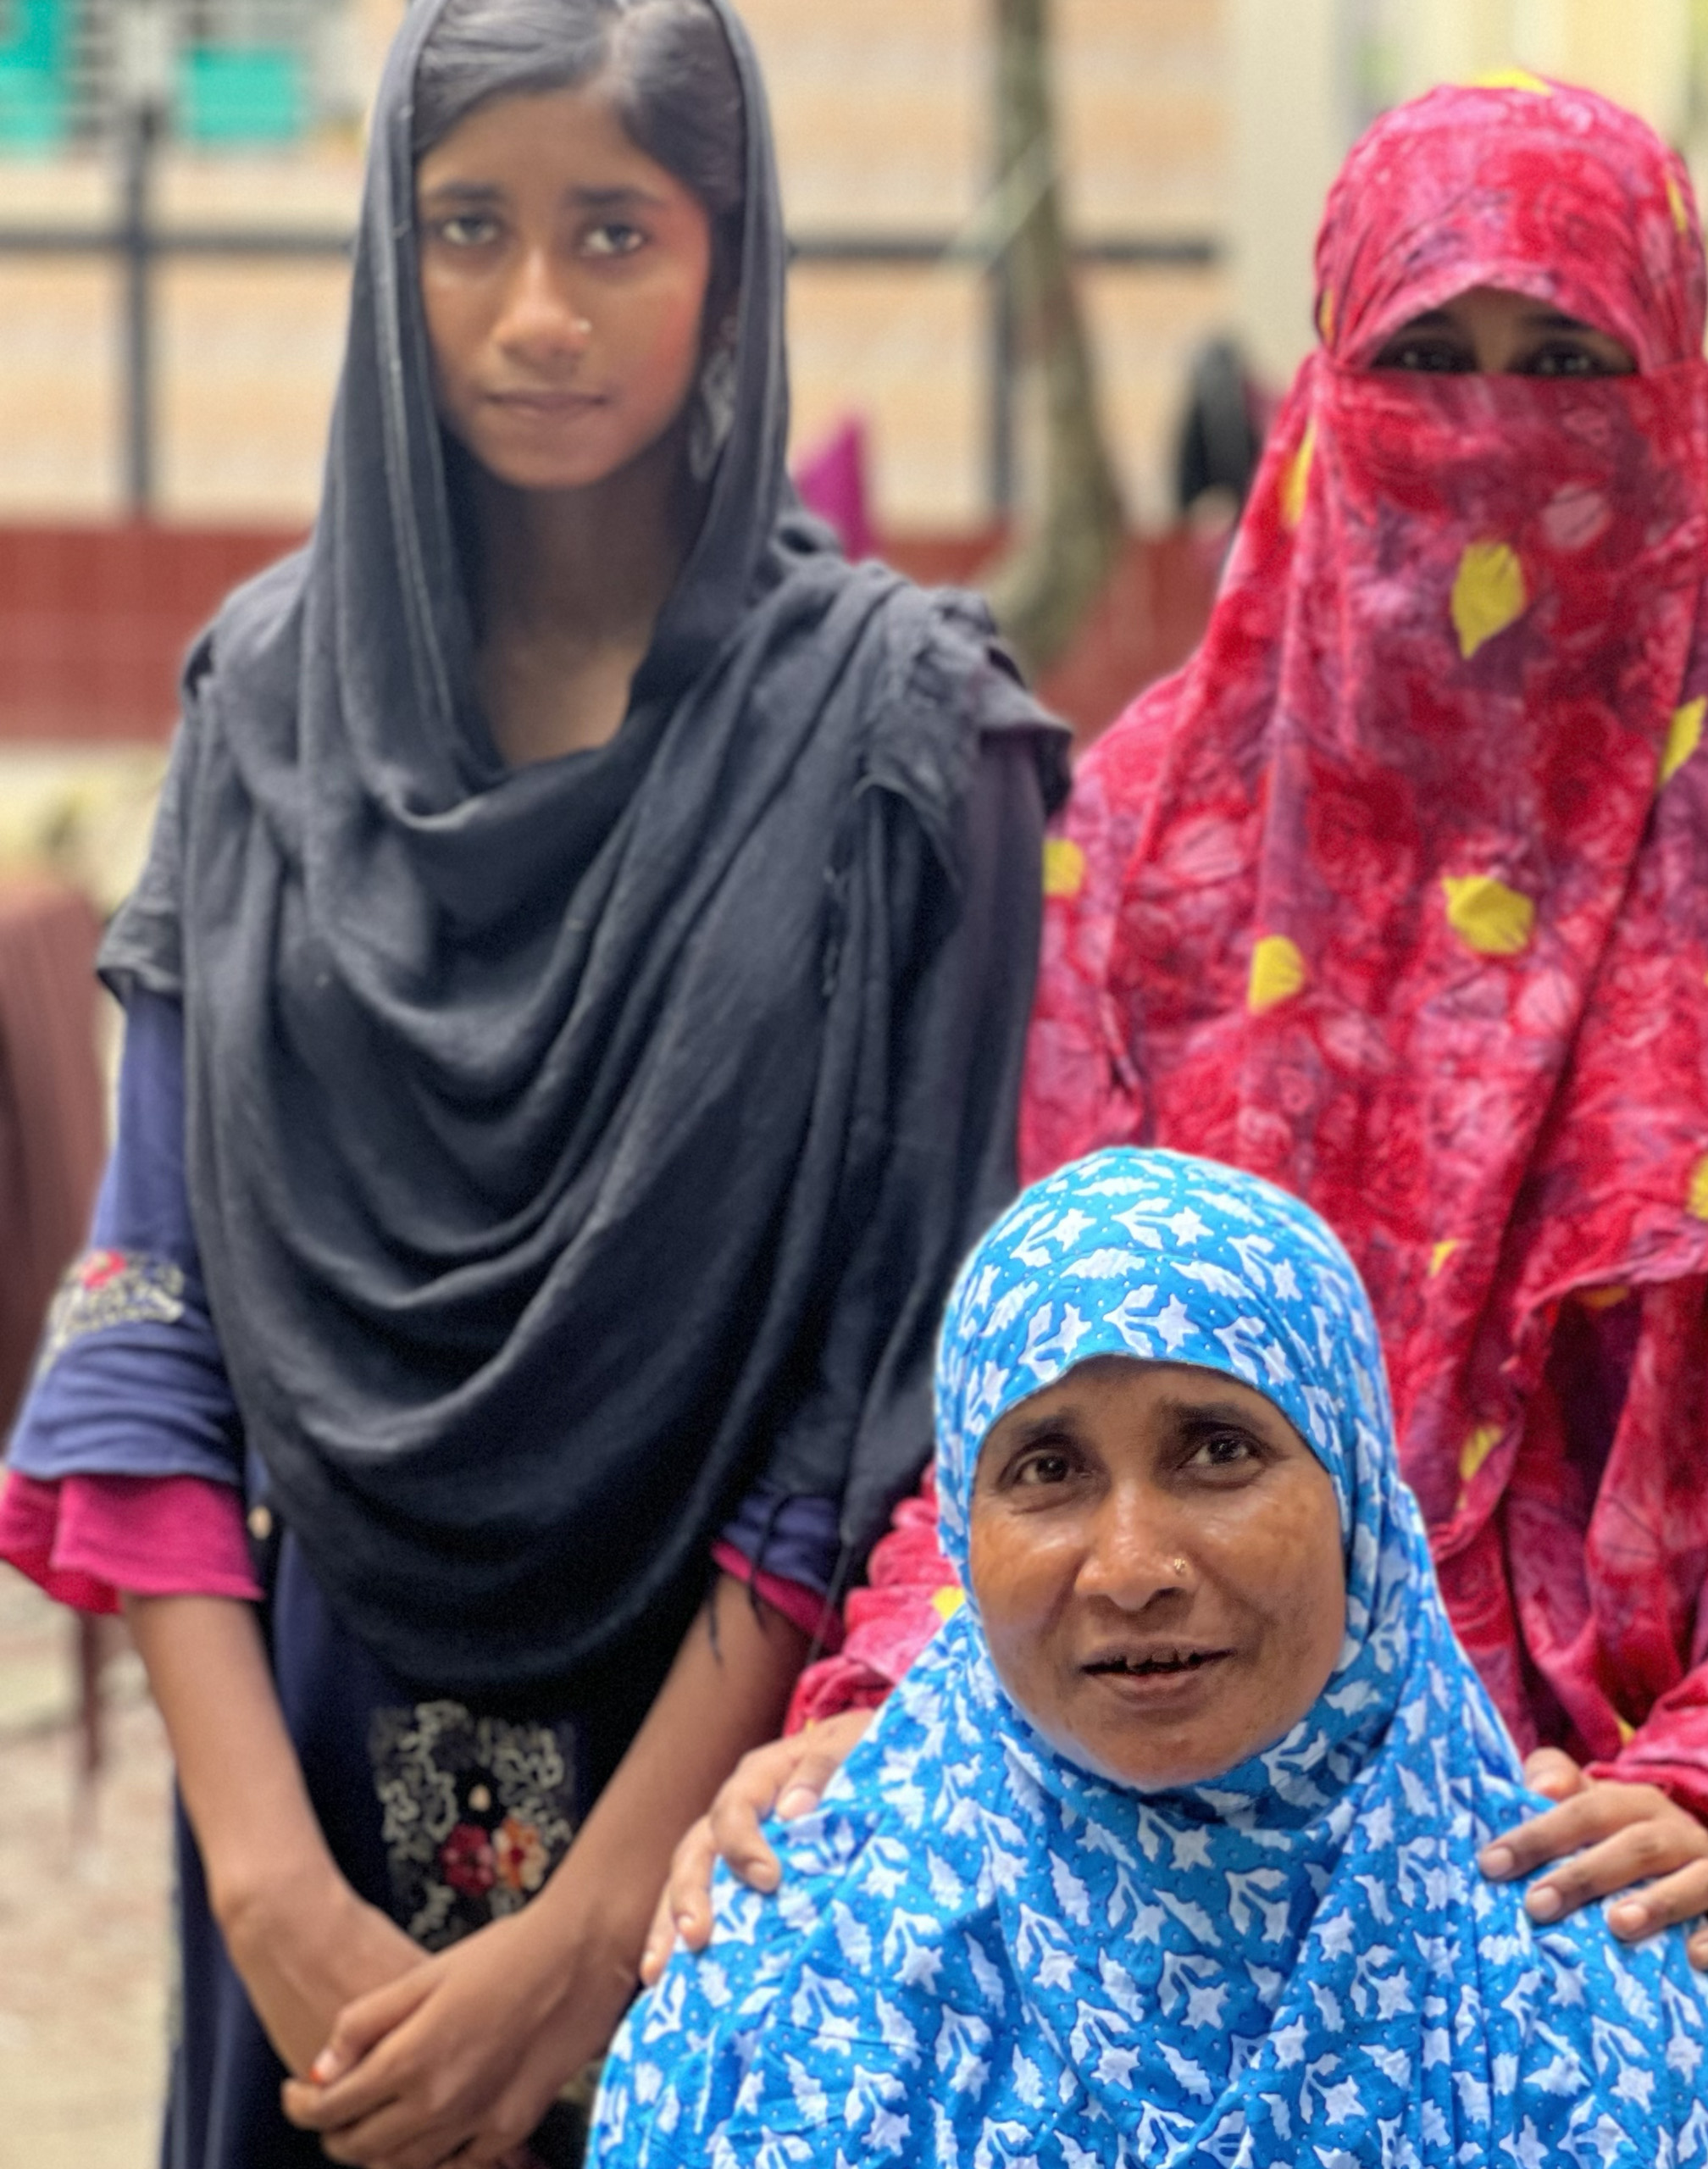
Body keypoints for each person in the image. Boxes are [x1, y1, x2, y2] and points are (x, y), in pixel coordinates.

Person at [653, 75, 1708, 2168]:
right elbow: (1039, 1364)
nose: (1492, 431)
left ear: (1675, 391)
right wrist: (877, 1715)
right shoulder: (1161, 822)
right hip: (1141, 1809)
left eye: (1565, 361)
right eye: (1426, 361)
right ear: (1325, 383)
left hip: (1624, 1895)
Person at [0, 1, 1061, 2162]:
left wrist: (596, 1934)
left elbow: (877, 1397)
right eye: (467, 228)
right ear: (391, 256)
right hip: (301, 1789)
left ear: (730, 255)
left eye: (615, 233)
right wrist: (267, 1878)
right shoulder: (263, 710)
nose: (537, 312)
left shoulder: (899, 748)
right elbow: (148, 1307)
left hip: (733, 1840)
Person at [595, 1147, 1708, 2167]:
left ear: (1360, 1508)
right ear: (967, 1526)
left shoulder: (1607, 2012)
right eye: (1047, 1470)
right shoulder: (775, 1984)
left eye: (1218, 1450)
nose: (1130, 1569)